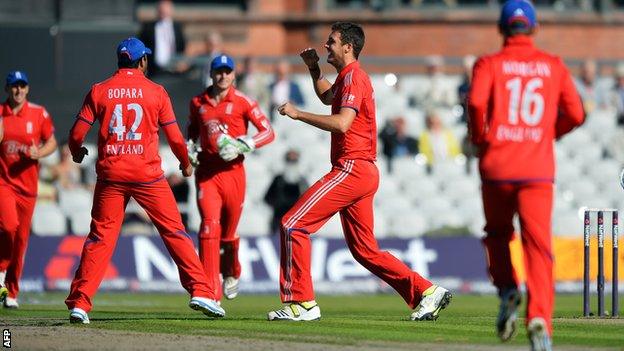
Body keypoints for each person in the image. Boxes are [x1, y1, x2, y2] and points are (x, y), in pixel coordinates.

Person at [269, 22, 451, 322]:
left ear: (347, 47)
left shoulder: (354, 77)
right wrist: (314, 70)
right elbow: (328, 98)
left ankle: (301, 303)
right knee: (364, 251)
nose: (326, 46)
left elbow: (342, 123)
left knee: (293, 224)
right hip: (362, 170)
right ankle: (426, 291)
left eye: (331, 41)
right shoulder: (346, 78)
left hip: (352, 167)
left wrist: (298, 114)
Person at [64, 37, 225, 324]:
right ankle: (200, 291)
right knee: (174, 231)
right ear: (142, 61)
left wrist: (78, 153)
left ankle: (80, 303)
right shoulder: (156, 92)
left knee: (100, 238)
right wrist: (186, 164)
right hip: (147, 175)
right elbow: (175, 138)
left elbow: (76, 136)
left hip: (111, 175)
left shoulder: (99, 90)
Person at [467, 2, 584, 350]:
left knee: (498, 234)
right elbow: (576, 113)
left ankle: (506, 289)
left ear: (502, 29)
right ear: (533, 29)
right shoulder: (553, 65)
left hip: (497, 167)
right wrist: (549, 132)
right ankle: (540, 318)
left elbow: (475, 103)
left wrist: (480, 139)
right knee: (538, 246)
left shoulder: (489, 63)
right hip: (536, 169)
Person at [187, 54, 275, 302]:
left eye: (227, 71)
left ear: (234, 74)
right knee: (208, 226)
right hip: (207, 173)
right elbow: (192, 131)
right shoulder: (198, 102)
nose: (223, 76)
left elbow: (268, 132)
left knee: (227, 235)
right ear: (212, 74)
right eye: (218, 71)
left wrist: (243, 144)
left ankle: (232, 272)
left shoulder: (243, 101)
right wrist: (191, 148)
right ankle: (208, 292)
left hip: (233, 174)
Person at [0, 71, 58, 308]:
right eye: (14, 86)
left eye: (22, 86)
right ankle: (1, 271)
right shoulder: (1, 114)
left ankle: (11, 292)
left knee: (21, 240)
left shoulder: (38, 112)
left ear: (28, 88)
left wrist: (39, 153)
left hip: (28, 188)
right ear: (7, 89)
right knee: (8, 226)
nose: (19, 90)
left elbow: (52, 142)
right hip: (4, 183)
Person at [264, 149, 308, 235]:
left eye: (294, 161)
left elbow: (308, 200)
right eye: (289, 160)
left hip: (296, 220)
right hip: (278, 219)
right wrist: (278, 204)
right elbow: (267, 198)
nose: (291, 163)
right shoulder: (278, 179)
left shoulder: (302, 181)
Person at [138, 0, 187, 77]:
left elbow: (183, 46)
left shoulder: (177, 27)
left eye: (166, 11)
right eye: (161, 10)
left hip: (174, 71)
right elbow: (142, 47)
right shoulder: (148, 28)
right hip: (153, 71)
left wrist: (182, 62)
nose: (163, 13)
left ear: (171, 11)